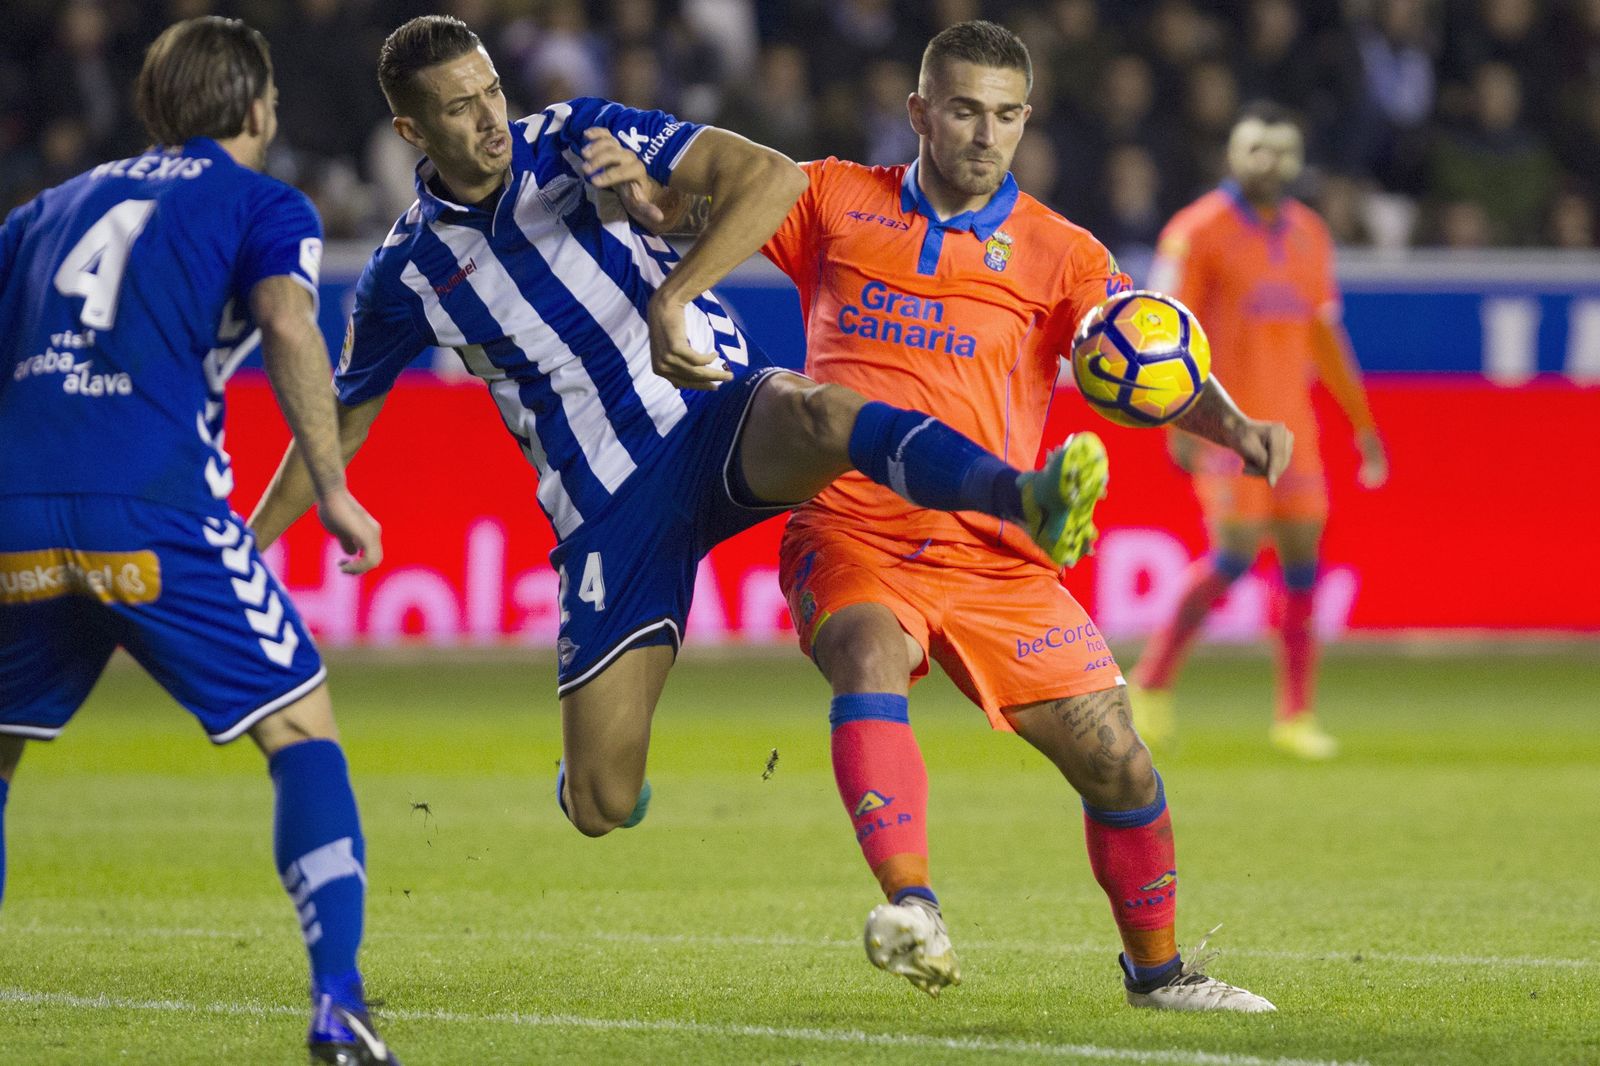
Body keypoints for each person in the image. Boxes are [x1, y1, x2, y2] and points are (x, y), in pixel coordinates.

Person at [247, 17, 1100, 849]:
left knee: (824, 411)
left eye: (492, 91)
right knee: (601, 803)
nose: (488, 118)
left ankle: (1021, 496)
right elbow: (343, 408)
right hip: (613, 504)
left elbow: (771, 179)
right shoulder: (405, 271)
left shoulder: (578, 134)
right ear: (411, 128)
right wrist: (257, 545)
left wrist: (672, 287)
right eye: (459, 106)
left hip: (716, 413)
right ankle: (599, 777)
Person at [649, 20, 1287, 1009]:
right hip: (851, 526)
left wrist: (1235, 426)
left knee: (1117, 762)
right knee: (867, 655)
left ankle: (1158, 974)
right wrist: (637, 187)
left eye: (1003, 115)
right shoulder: (829, 197)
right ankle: (913, 908)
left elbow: (1138, 357)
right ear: (918, 112)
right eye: (960, 110)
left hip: (995, 552)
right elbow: (704, 195)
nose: (983, 133)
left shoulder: (1059, 252)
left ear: (1025, 120)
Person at [0, 18, 398, 1066]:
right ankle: (340, 1004)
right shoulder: (264, 201)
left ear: (155, 108)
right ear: (259, 109)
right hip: (154, 511)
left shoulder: (42, 211)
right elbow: (289, 324)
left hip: (17, 517)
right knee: (302, 734)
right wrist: (333, 486)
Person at [1129, 102, 1388, 759]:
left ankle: (1295, 716)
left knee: (1304, 563)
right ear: (1233, 155)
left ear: (1297, 160)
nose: (1267, 162)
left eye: (1280, 150)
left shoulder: (1310, 233)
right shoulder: (1197, 231)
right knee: (1234, 557)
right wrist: (1177, 418)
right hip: (1226, 425)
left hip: (1294, 427)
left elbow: (1324, 337)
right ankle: (1150, 687)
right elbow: (1164, 329)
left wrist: (1362, 423)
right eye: (1255, 149)